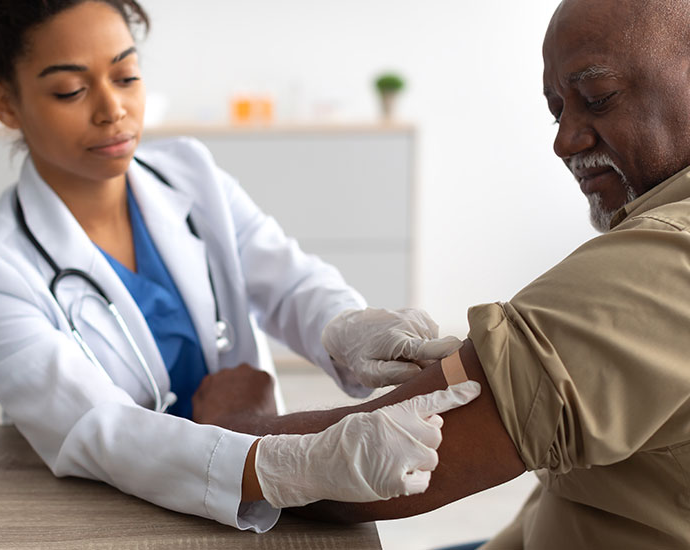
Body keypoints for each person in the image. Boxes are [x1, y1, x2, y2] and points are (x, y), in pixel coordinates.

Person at [0, 0, 482, 533]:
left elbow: (286, 280)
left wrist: (347, 328)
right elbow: (97, 430)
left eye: (125, 77)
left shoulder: (189, 173)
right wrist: (290, 466)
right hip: (117, 513)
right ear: (5, 102)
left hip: (253, 470)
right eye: (70, 89)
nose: (112, 109)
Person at [193, 0, 690, 548]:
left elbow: (358, 478)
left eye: (598, 99)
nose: (563, 140)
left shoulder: (663, 260)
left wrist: (230, 421)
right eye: (557, 111)